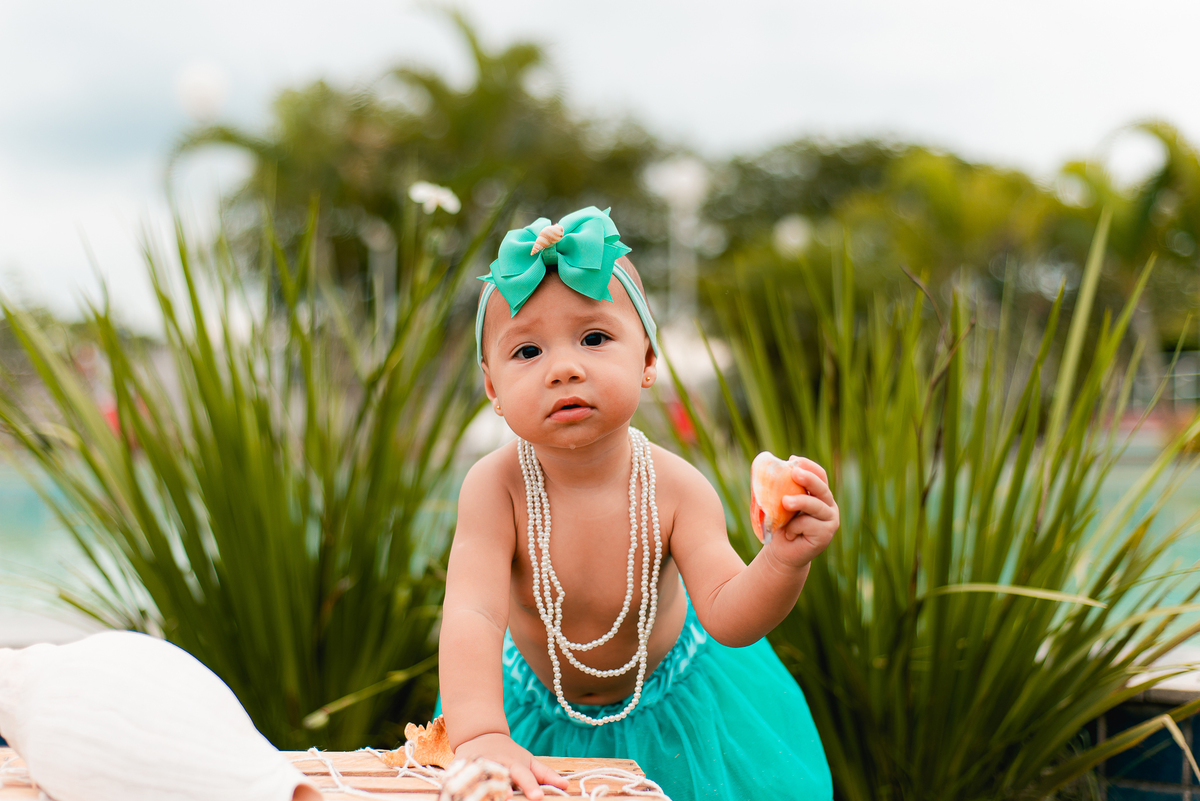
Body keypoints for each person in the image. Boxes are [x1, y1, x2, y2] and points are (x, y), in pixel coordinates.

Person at [438, 207, 837, 801]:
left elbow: (729, 616)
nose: (564, 369)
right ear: (492, 386)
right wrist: (482, 733)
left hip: (673, 710)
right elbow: (473, 613)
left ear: (648, 359)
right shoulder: (496, 489)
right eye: (527, 351)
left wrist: (784, 559)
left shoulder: (676, 488)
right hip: (528, 709)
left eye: (594, 338)